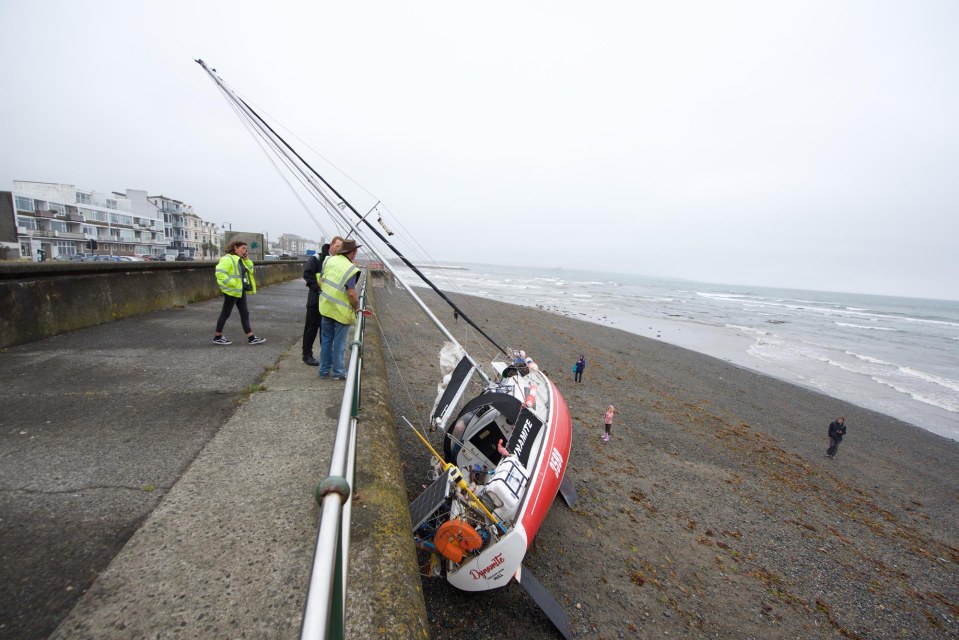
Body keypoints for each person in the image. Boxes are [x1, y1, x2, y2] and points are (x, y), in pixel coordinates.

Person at [318, 238, 362, 379]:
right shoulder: (351, 269)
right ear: (353, 252)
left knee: (325, 341)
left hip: (325, 307)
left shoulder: (329, 260)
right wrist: (357, 307)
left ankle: (323, 371)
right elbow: (351, 293)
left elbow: (321, 281)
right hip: (341, 312)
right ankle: (338, 373)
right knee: (339, 344)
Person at [213, 240, 266, 345]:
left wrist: (246, 260)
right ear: (235, 248)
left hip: (239, 290)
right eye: (242, 248)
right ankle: (217, 337)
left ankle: (251, 337)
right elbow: (220, 273)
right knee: (226, 313)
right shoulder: (227, 259)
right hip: (231, 291)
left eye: (245, 249)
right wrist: (233, 283)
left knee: (244, 313)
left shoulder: (240, 260)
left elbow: (251, 270)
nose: (244, 251)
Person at [301, 236, 343, 365]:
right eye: (337, 246)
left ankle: (325, 357)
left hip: (329, 301)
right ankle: (307, 355)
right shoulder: (317, 258)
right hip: (315, 300)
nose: (338, 249)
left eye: (341, 248)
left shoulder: (338, 261)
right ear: (331, 245)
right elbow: (307, 274)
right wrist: (318, 290)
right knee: (311, 328)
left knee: (326, 330)